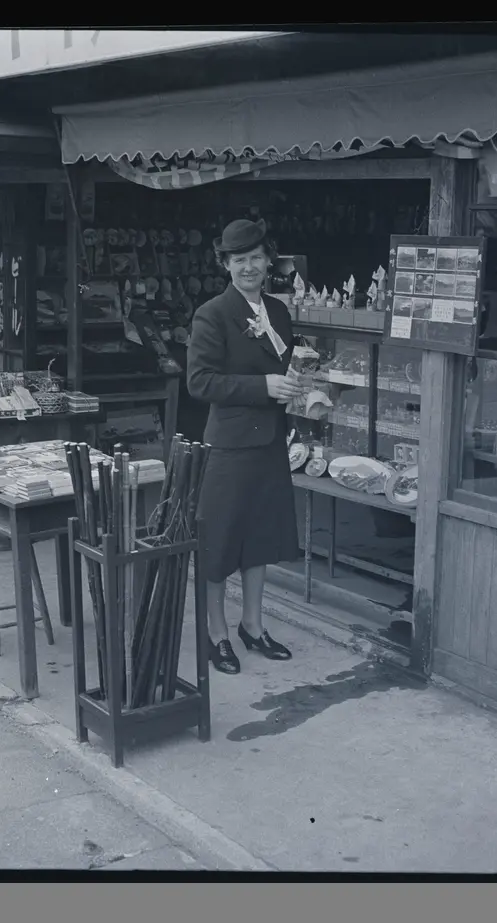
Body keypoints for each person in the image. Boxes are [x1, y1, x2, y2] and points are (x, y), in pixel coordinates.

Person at [186, 218, 304, 675]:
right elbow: (200, 382)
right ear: (226, 265)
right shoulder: (212, 313)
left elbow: (287, 368)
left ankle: (252, 626)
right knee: (219, 541)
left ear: (269, 260)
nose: (249, 267)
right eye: (240, 260)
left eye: (256, 257)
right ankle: (216, 633)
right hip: (230, 446)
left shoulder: (278, 311)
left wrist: (302, 387)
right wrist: (264, 386)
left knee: (261, 537)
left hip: (271, 441)